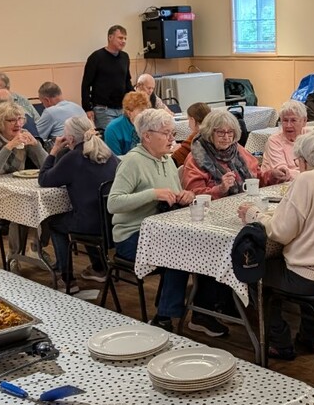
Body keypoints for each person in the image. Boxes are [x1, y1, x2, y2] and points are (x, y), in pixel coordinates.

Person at [237, 129, 314, 361]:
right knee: (305, 256)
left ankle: (280, 342)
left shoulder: (307, 179)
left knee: (254, 273)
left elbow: (281, 232)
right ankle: (309, 334)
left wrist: (254, 214)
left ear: (304, 161)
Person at [107, 109, 227, 336]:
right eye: (166, 134)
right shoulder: (133, 161)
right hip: (132, 235)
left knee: (206, 247)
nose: (172, 138)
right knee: (177, 254)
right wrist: (153, 194)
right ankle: (164, 318)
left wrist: (185, 195)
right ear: (147, 136)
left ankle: (202, 313)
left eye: (173, 133)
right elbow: (113, 204)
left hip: (163, 232)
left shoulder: (167, 161)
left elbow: (174, 193)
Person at [39, 115, 118, 292]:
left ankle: (66, 278)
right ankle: (99, 267)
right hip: (112, 223)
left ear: (71, 139)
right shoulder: (108, 153)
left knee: (54, 222)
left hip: (90, 225)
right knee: (86, 212)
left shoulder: (74, 157)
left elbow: (44, 179)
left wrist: (54, 151)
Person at [180, 108, 264, 198]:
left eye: (230, 132)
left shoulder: (237, 149)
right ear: (209, 132)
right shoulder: (197, 157)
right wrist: (220, 189)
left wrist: (272, 175)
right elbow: (194, 195)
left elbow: (258, 176)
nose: (226, 137)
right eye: (221, 132)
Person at [0, 102, 47, 179]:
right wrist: (10, 146)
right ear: (0, 122)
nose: (18, 124)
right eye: (12, 120)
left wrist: (36, 145)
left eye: (20, 119)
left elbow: (48, 167)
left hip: (15, 185)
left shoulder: (24, 134)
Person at [82, 24, 132, 131]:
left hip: (122, 108)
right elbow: (86, 84)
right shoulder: (96, 57)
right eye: (120, 38)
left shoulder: (125, 57)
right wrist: (87, 108)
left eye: (125, 38)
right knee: (110, 138)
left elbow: (127, 82)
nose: (123, 41)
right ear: (110, 37)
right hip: (103, 109)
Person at [259, 100, 308, 183]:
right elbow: (283, 173)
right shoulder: (274, 141)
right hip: (277, 185)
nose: (288, 125)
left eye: (293, 120)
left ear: (304, 121)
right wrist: (311, 175)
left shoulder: (310, 137)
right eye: (285, 120)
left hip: (304, 181)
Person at [103, 91, 150, 156]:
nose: (145, 114)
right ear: (129, 112)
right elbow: (115, 160)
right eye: (141, 110)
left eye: (146, 110)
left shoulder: (149, 125)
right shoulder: (112, 129)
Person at [172, 101, 210, 167]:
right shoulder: (214, 133)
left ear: (192, 120)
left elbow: (175, 160)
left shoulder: (196, 137)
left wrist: (177, 150)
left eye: (188, 119)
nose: (189, 124)